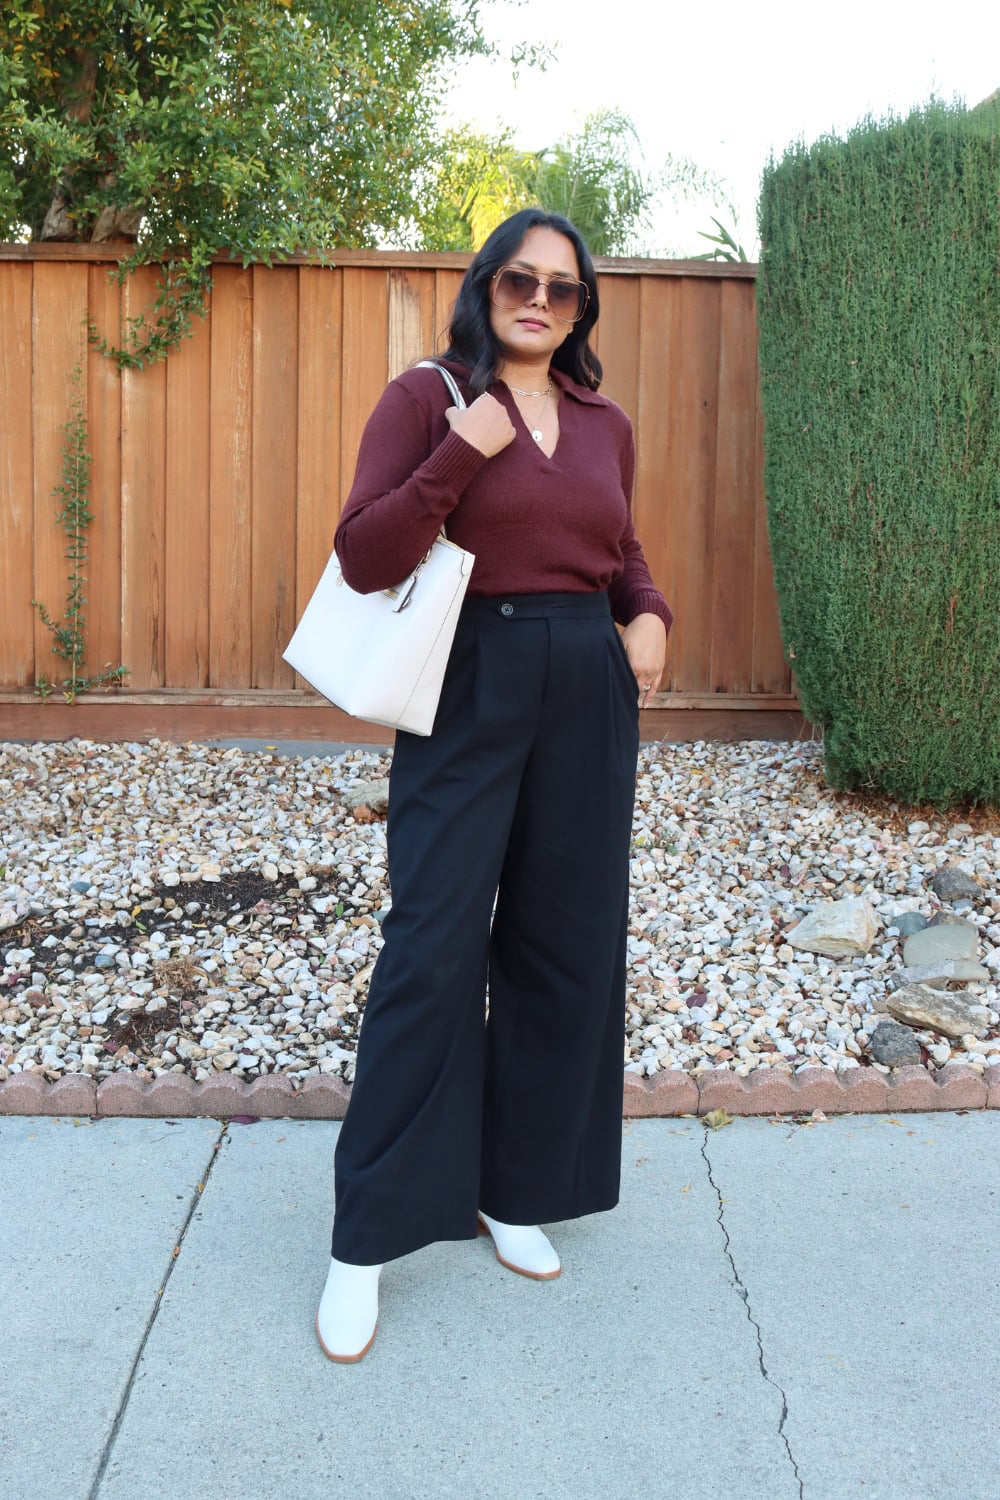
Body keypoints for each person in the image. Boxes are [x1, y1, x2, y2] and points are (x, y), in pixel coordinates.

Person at [315, 208, 673, 1362]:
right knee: (429, 946)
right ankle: (363, 1240)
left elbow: (619, 548)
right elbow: (365, 555)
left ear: (580, 310)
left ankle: (514, 1189)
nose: (540, 300)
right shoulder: (426, 398)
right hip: (467, 677)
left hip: (584, 687)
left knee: (563, 946)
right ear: (486, 286)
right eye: (521, 279)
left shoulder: (605, 422)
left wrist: (647, 613)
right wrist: (461, 452)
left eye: (563, 289)